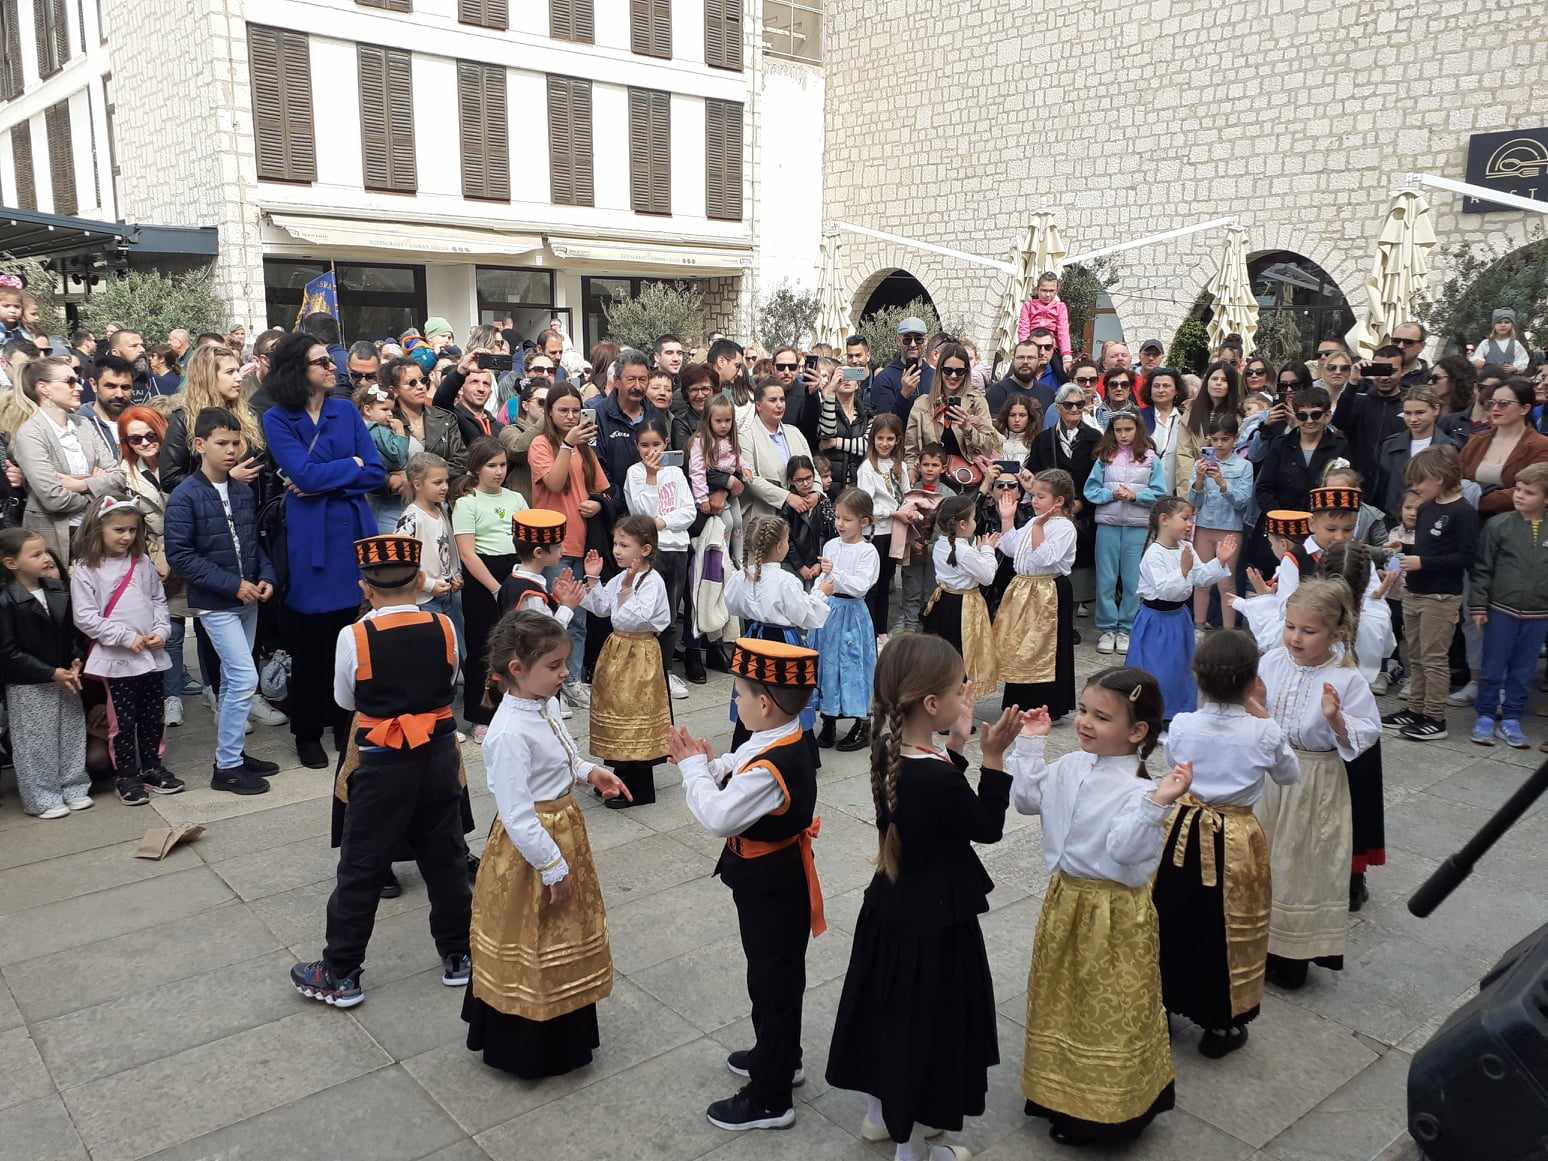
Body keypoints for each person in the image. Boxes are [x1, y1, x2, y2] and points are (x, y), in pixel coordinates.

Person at [826, 634, 1022, 1158]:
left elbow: (932, 806)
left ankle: (877, 1116)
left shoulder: (890, 749)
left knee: (885, 1015)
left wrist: (955, 746)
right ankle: (913, 1150)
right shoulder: (934, 776)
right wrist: (995, 757)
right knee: (923, 1029)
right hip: (933, 924)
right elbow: (984, 825)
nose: (968, 699)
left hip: (891, 908)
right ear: (932, 705)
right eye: (962, 690)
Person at [289, 534, 472, 1010]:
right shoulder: (444, 627)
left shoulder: (354, 635)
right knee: (446, 858)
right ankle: (459, 954)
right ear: (419, 583)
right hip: (437, 755)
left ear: (364, 588)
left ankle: (342, 970)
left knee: (362, 865)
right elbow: (449, 683)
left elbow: (345, 701)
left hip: (381, 760)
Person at [1009, 668, 1191, 1145]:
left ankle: (1106, 1108)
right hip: (1066, 900)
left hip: (1114, 914)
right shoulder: (1070, 765)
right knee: (1063, 997)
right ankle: (1057, 1090)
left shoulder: (1139, 793)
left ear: (1137, 732)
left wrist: (1158, 804)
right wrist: (1030, 745)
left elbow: (1126, 851)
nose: (1086, 723)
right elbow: (1028, 801)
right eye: (1085, 711)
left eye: (1101, 717)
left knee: (1105, 1007)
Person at [670, 638, 827, 1132]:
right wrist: (714, 765)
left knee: (774, 982)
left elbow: (718, 815)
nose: (734, 701)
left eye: (738, 693)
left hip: (773, 888)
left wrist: (692, 769)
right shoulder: (780, 738)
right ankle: (780, 1056)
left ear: (764, 703)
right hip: (768, 882)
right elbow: (744, 760)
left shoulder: (774, 764)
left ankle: (770, 1097)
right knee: (770, 978)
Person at [463, 610, 630, 1076]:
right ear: (517, 670)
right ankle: (527, 1043)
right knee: (532, 936)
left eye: (565, 664)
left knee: (562, 933)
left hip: (562, 829)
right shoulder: (508, 733)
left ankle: (566, 1026)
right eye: (555, 666)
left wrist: (587, 771)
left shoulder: (546, 705)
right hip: (531, 849)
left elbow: (564, 752)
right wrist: (553, 868)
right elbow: (517, 815)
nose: (565, 674)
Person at [1153, 630, 1298, 1057]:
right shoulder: (1264, 733)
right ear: (1253, 681)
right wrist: (1263, 716)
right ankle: (1220, 1023)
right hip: (1234, 838)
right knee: (1226, 927)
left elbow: (1171, 766)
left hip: (1182, 831)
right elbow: (1289, 776)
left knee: (1174, 915)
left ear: (1197, 678)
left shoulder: (1182, 725)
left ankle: (1163, 1003)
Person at [262, 332, 387, 770]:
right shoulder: (278, 419)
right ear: (299, 370)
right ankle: (307, 731)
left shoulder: (344, 410)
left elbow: (373, 471)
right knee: (312, 643)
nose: (332, 367)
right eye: (321, 362)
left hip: (352, 535)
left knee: (352, 639)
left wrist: (328, 474)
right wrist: (344, 467)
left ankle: (346, 725)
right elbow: (304, 477)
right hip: (311, 539)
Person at [1254, 577, 1379, 991]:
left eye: (1308, 631)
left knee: (1301, 865)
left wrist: (1335, 719)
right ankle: (1256, 942)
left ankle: (1293, 954)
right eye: (1291, 626)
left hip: (1315, 779)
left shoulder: (1346, 679)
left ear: (1335, 633)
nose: (1295, 637)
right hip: (1271, 776)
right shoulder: (1271, 662)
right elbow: (1256, 711)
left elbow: (1366, 734)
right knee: (1263, 859)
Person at [164, 407, 282, 795]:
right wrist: (233, 585)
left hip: (247, 597)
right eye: (222, 443)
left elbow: (254, 543)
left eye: (236, 443)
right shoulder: (186, 495)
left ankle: (232, 755)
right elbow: (181, 556)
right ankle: (227, 767)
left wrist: (265, 576)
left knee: (235, 680)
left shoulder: (242, 491)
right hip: (216, 602)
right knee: (244, 676)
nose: (231, 450)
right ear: (200, 445)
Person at [70, 494, 183, 805]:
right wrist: (122, 636)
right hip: (117, 657)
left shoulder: (142, 562)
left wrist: (161, 631)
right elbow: (85, 616)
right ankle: (126, 773)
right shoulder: (85, 568)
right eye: (119, 530)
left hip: (150, 654)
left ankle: (152, 766)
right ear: (98, 529)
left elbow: (158, 601)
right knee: (122, 718)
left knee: (152, 714)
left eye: (132, 530)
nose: (127, 536)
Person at [1379, 447, 1478, 742]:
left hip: (1441, 597)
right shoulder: (1426, 508)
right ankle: (1415, 710)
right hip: (1415, 591)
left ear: (1438, 477)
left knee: (1434, 658)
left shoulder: (1463, 512)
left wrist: (1424, 562)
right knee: (1416, 656)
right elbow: (1424, 550)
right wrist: (1406, 550)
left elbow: (1467, 558)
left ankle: (1435, 717)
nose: (1415, 488)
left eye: (1419, 482)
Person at [578, 516, 671, 807]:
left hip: (640, 653)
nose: (616, 550)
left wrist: (628, 587)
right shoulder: (621, 577)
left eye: (624, 545)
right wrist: (592, 579)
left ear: (644, 549)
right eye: (615, 544)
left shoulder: (652, 581)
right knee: (617, 708)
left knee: (636, 712)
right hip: (618, 650)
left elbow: (634, 617)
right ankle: (620, 772)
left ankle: (640, 787)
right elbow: (603, 608)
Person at [0, 527, 89, 818]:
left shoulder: (56, 589)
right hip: (30, 683)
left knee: (71, 733)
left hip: (65, 676)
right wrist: (50, 672)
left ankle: (74, 786)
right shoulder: (6, 600)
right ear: (11, 563)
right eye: (35, 554)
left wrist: (76, 659)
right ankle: (42, 796)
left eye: (45, 551)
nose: (45, 558)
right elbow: (8, 652)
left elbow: (72, 634)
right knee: (35, 741)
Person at [529, 385, 608, 706]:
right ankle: (549, 687)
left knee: (579, 619)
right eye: (563, 410)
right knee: (553, 618)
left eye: (576, 410)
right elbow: (555, 482)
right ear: (549, 412)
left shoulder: (585, 447)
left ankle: (572, 681)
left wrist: (598, 505)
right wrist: (566, 445)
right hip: (551, 544)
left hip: (582, 541)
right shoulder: (540, 444)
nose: (571, 416)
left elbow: (601, 488)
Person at [1125, 496, 1238, 719]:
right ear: (1164, 519)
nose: (1189, 524)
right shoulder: (1153, 554)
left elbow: (1202, 578)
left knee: (1180, 670)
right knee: (1157, 670)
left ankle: (1177, 712)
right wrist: (1183, 571)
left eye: (1191, 519)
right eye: (1185, 518)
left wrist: (1220, 561)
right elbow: (1166, 590)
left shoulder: (1186, 547)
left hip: (1178, 618)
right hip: (1155, 621)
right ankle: (1151, 713)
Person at [452, 439, 528, 741]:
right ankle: (480, 714)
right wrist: (497, 588)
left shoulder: (516, 498)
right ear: (476, 468)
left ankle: (517, 706)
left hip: (514, 569)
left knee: (517, 645)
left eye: (503, 465)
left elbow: (526, 538)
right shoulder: (466, 503)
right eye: (491, 465)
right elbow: (468, 553)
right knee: (484, 646)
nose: (499, 472)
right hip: (483, 577)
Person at [12, 356, 122, 562]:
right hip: (56, 538)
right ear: (43, 388)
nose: (79, 387)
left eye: (77, 379)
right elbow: (53, 498)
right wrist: (95, 487)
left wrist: (78, 484)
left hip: (95, 531)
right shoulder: (30, 433)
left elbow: (118, 478)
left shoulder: (84, 424)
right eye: (69, 381)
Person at [1470, 462, 1548, 749]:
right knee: (1492, 666)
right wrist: (1478, 606)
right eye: (1518, 489)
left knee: (1524, 669)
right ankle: (1486, 715)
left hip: (1539, 615)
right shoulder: (1498, 525)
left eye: (1529, 492)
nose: (1519, 496)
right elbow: (1482, 569)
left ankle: (1512, 717)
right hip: (1501, 610)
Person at [625, 417, 696, 697]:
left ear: (666, 444)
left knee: (669, 612)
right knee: (646, 614)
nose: (651, 451)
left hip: (676, 548)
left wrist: (664, 522)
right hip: (649, 552)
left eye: (656, 444)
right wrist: (651, 477)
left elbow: (688, 512)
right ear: (636, 446)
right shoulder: (634, 473)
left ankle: (664, 672)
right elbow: (640, 513)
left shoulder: (676, 473)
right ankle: (644, 671)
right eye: (644, 445)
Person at [1084, 409, 1163, 655]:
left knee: (1132, 581)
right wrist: (1111, 494)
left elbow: (1160, 492)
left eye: (1128, 429)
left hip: (1137, 527)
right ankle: (1108, 628)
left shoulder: (1151, 458)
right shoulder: (1104, 457)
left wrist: (1136, 495)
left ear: (1137, 429)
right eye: (1118, 430)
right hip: (1108, 525)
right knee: (1106, 579)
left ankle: (1127, 628)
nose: (1123, 435)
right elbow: (1091, 490)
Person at [809, 488, 880, 752]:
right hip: (829, 612)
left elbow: (861, 586)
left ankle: (863, 722)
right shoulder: (831, 546)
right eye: (838, 517)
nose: (840, 523)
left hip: (852, 615)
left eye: (847, 519)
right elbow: (822, 580)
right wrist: (814, 598)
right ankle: (828, 719)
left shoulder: (867, 552)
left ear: (864, 522)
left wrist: (834, 573)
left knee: (852, 666)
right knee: (827, 664)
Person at [921, 490, 999, 692]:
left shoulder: (941, 544)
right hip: (964, 607)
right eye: (973, 519)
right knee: (963, 654)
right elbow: (987, 576)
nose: (975, 522)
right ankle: (957, 708)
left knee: (943, 656)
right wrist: (988, 550)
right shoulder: (963, 551)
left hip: (943, 602)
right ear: (963, 525)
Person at [379, 356, 467, 533]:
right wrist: (391, 480)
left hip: (437, 508)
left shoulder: (445, 418)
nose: (420, 386)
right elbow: (374, 468)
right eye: (411, 383)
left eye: (423, 380)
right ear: (394, 390)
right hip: (396, 510)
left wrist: (426, 478)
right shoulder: (383, 422)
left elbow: (461, 459)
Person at [1188, 414, 1252, 629]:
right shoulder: (1201, 463)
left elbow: (1243, 501)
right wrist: (1198, 479)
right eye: (1214, 439)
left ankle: (1229, 631)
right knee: (1202, 580)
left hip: (1230, 528)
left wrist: (1223, 483)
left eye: (1225, 439)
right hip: (1204, 527)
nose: (1219, 444)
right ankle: (1198, 626)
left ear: (1235, 439)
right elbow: (1193, 501)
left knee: (1226, 583)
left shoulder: (1244, 466)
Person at [904, 343, 1001, 482]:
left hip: (966, 481)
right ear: (940, 371)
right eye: (948, 370)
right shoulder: (923, 404)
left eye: (959, 371)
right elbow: (911, 451)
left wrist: (968, 429)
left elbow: (988, 447)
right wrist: (911, 474)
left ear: (966, 372)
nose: (953, 376)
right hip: (930, 480)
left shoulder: (977, 402)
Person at [1460, 377, 1548, 519]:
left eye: (1503, 404)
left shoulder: (1541, 445)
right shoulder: (1476, 440)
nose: (1495, 408)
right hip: (1469, 521)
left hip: (1515, 523)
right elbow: (1455, 479)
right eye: (1492, 403)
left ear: (1525, 409)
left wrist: (1475, 499)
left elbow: (1532, 490)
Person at [1374, 386, 1464, 519]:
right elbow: (1383, 487)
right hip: (1395, 520)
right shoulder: (1390, 445)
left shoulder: (1449, 448)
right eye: (1408, 413)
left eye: (1420, 412)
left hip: (1436, 518)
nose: (1413, 419)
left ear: (1436, 410)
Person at [855, 414, 908, 639]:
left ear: (897, 440)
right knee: (872, 585)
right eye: (880, 438)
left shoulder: (900, 466)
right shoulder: (868, 467)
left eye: (890, 439)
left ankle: (882, 631)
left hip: (894, 532)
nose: (885, 443)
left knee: (886, 582)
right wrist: (891, 512)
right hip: (875, 533)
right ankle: (868, 630)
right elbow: (865, 505)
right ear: (872, 439)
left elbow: (906, 495)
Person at [892, 444, 950, 634]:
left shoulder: (948, 495)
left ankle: (929, 634)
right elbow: (900, 520)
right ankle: (909, 631)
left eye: (935, 465)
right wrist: (911, 541)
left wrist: (933, 545)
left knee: (932, 594)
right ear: (919, 465)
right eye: (926, 464)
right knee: (911, 592)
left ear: (943, 467)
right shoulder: (909, 490)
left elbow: (951, 527)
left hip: (936, 555)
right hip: (914, 551)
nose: (930, 469)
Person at [740, 381, 815, 524]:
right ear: (758, 405)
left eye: (782, 399)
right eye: (773, 400)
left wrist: (816, 493)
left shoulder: (794, 432)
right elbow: (750, 479)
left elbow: (813, 469)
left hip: (803, 516)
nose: (779, 405)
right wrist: (787, 497)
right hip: (765, 516)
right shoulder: (745, 436)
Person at [871, 317, 932, 421]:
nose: (913, 344)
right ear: (898, 341)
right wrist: (904, 394)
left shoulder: (935, 376)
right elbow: (883, 424)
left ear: (925, 341)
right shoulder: (884, 378)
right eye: (907, 339)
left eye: (918, 339)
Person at [988, 335, 1058, 416]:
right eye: (1020, 357)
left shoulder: (1048, 394)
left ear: (1039, 361)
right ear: (1013, 360)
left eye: (1030, 358)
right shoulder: (997, 392)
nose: (1025, 362)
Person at [78, 353, 133, 455]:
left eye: (125, 387)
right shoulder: (78, 423)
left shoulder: (141, 419)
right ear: (94, 385)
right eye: (111, 386)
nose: (119, 394)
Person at [1017, 271, 1073, 359]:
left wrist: (1066, 353)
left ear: (1057, 290)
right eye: (1044, 290)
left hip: (1051, 348)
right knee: (1015, 370)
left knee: (1061, 371)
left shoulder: (1060, 307)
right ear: (1037, 289)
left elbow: (1063, 331)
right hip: (1032, 346)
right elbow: (1023, 329)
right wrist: (1025, 348)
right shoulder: (1028, 306)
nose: (1047, 294)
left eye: (1051, 291)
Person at [1472, 308, 1531, 372]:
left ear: (1511, 325)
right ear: (1494, 325)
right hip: (1490, 377)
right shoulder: (1486, 343)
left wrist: (1515, 367)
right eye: (1499, 322)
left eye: (1507, 322)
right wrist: (1477, 361)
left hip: (1510, 378)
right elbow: (1477, 357)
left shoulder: (1515, 344)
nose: (1503, 325)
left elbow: (1523, 360)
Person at [994, 395, 1038, 463]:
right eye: (1012, 415)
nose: (1017, 420)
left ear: (1029, 417)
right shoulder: (994, 439)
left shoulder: (1037, 442)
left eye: (1022, 415)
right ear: (1006, 416)